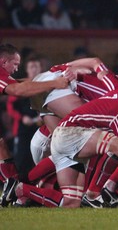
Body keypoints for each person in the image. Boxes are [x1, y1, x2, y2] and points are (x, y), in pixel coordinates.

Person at [14, 84, 118, 208]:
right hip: (69, 134)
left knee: (71, 203)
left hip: (65, 141)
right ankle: (94, 194)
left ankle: (20, 189)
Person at [0, 44, 69, 207]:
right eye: (15, 64)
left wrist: (47, 79)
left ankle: (16, 190)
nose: (17, 69)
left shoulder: (4, 73)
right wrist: (54, 83)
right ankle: (18, 190)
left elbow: (18, 82)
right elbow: (18, 90)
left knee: (1, 146)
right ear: (3, 62)